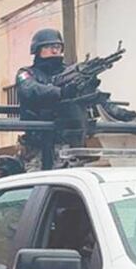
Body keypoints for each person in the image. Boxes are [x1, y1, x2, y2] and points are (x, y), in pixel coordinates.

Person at [15, 28, 79, 171]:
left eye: (57, 47)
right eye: (49, 47)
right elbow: (29, 89)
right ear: (37, 50)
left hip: (65, 145)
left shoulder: (70, 73)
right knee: (36, 188)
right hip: (37, 146)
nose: (55, 51)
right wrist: (60, 92)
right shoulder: (26, 73)